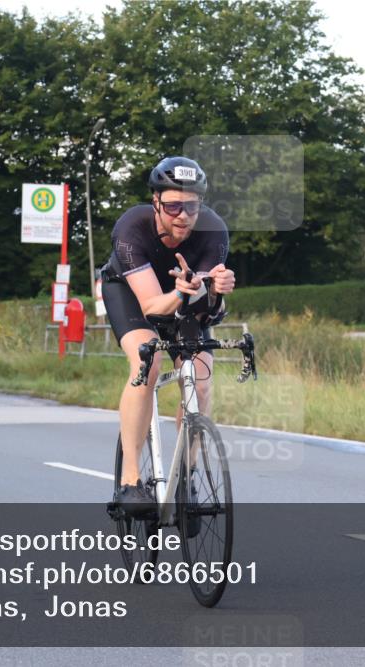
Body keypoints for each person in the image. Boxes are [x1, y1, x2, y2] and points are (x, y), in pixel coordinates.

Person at [100, 157, 235, 513]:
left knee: (201, 378)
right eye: (173, 205)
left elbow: (208, 311)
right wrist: (180, 294)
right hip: (130, 293)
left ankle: (186, 475)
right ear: (156, 201)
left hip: (180, 296)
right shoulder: (132, 228)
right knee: (149, 359)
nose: (183, 215)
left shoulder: (213, 231)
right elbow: (151, 308)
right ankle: (130, 481)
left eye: (191, 206)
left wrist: (218, 292)